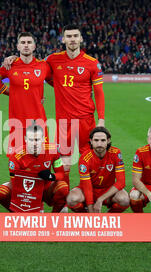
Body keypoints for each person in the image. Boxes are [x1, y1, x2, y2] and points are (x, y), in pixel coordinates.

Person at [44, 24, 105, 187]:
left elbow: (99, 92)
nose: (72, 39)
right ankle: (63, 201)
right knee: (64, 163)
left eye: (75, 36)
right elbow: (38, 72)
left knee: (89, 162)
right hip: (64, 121)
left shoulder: (92, 63)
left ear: (81, 39)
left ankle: (88, 199)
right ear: (63, 39)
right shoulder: (53, 59)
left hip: (86, 120)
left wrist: (102, 120)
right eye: (69, 36)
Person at [0, 32, 52, 154]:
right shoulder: (10, 65)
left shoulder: (43, 66)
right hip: (17, 123)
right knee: (16, 164)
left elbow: (57, 83)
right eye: (23, 43)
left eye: (29, 42)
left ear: (34, 46)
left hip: (38, 121)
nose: (26, 45)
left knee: (42, 161)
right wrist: (9, 91)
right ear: (18, 46)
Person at [0, 123, 68, 213]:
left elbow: (61, 174)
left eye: (37, 139)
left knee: (63, 188)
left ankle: (53, 217)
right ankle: (17, 214)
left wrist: (51, 176)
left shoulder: (52, 151)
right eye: (31, 140)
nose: (34, 143)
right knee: (2, 192)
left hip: (45, 188)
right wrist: (31, 200)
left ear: (43, 139)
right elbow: (15, 183)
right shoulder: (16, 156)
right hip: (24, 191)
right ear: (25, 139)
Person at [66, 127, 129, 213]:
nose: (99, 144)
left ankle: (108, 219)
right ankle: (86, 217)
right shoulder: (85, 158)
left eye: (103, 140)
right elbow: (87, 187)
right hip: (89, 190)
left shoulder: (116, 153)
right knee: (72, 198)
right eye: (96, 140)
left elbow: (121, 182)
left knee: (124, 199)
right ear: (91, 141)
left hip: (108, 190)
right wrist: (91, 210)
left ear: (108, 141)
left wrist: (101, 199)